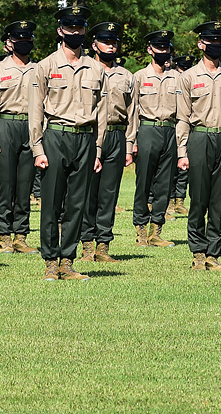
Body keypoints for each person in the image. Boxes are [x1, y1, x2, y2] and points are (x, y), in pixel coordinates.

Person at [27, 5, 108, 281]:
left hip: (85, 139)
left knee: (77, 204)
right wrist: (37, 148)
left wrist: (97, 150)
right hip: (56, 138)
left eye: (80, 27)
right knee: (51, 202)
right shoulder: (46, 66)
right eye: (70, 27)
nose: (75, 32)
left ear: (85, 30)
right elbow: (36, 110)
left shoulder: (96, 68)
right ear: (60, 30)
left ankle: (67, 260)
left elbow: (103, 114)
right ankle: (51, 261)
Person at [176, 21, 221, 271]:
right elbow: (182, 117)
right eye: (211, 40)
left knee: (218, 202)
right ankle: (197, 252)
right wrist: (181, 151)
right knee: (198, 199)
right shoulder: (188, 77)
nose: (215, 45)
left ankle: (213, 254)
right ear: (200, 43)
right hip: (199, 138)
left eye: (219, 41)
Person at [0, 20, 38, 254]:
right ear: (9, 43)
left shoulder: (39, 69)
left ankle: (21, 236)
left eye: (27, 39)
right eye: (18, 39)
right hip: (5, 126)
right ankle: (4, 236)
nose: (24, 43)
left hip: (31, 129)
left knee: (25, 185)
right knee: (5, 184)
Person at [80, 23, 135, 262]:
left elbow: (133, 113)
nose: (110, 46)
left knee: (109, 194)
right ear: (94, 45)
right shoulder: (85, 69)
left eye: (114, 42)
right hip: (90, 135)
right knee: (86, 192)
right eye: (105, 42)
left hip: (116, 135)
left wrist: (130, 144)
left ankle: (103, 246)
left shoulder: (126, 75)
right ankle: (86, 245)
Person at [126, 30, 180, 248]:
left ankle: (156, 230)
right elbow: (132, 112)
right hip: (147, 130)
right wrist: (132, 141)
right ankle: (140, 229)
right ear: (150, 50)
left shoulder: (177, 77)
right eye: (159, 48)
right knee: (144, 182)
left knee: (165, 184)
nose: (163, 51)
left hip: (170, 130)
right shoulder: (139, 77)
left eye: (166, 48)